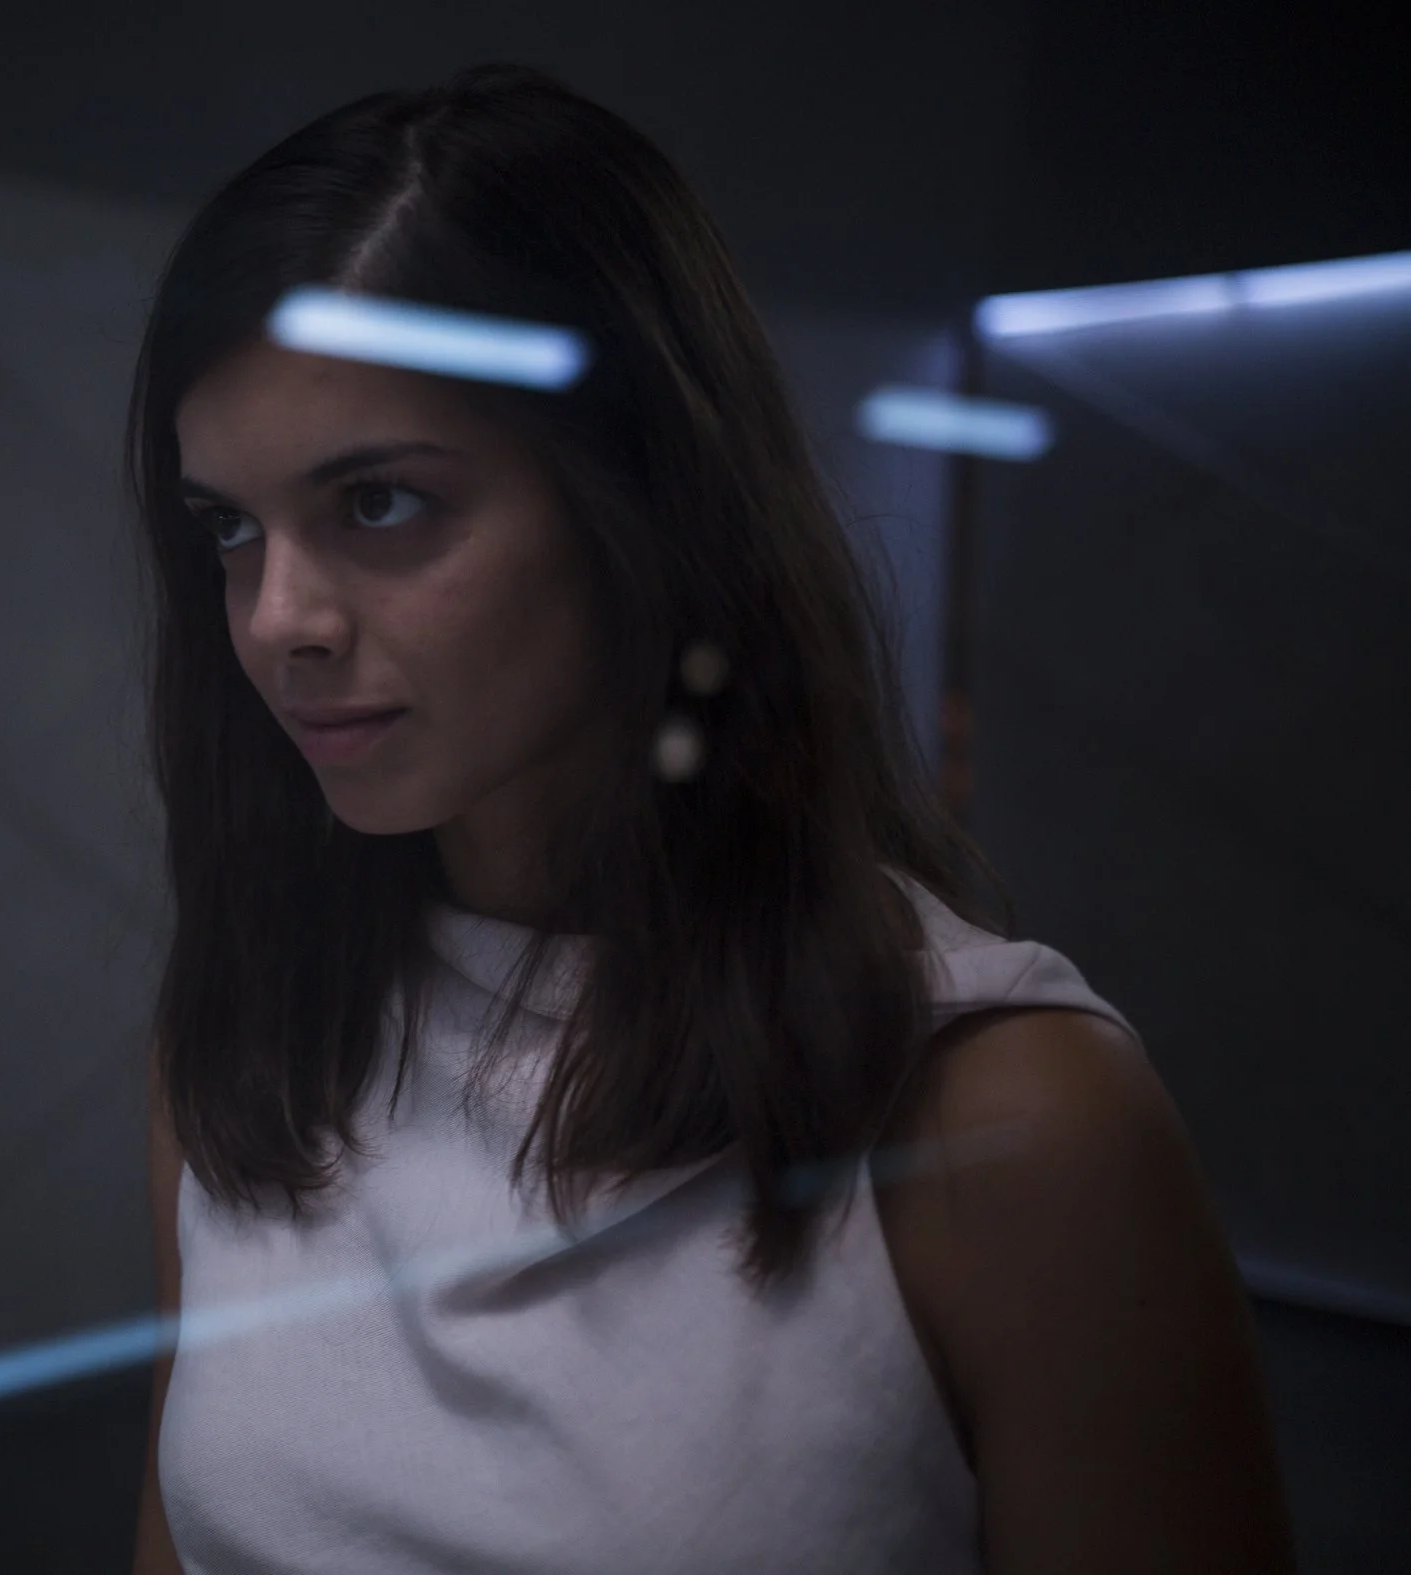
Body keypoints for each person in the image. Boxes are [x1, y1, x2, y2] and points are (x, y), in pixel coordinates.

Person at [123, 64, 1291, 1575]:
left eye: (382, 503)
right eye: (228, 526)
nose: (278, 618)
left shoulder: (1005, 1121)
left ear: (646, 499)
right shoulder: (250, 1042)